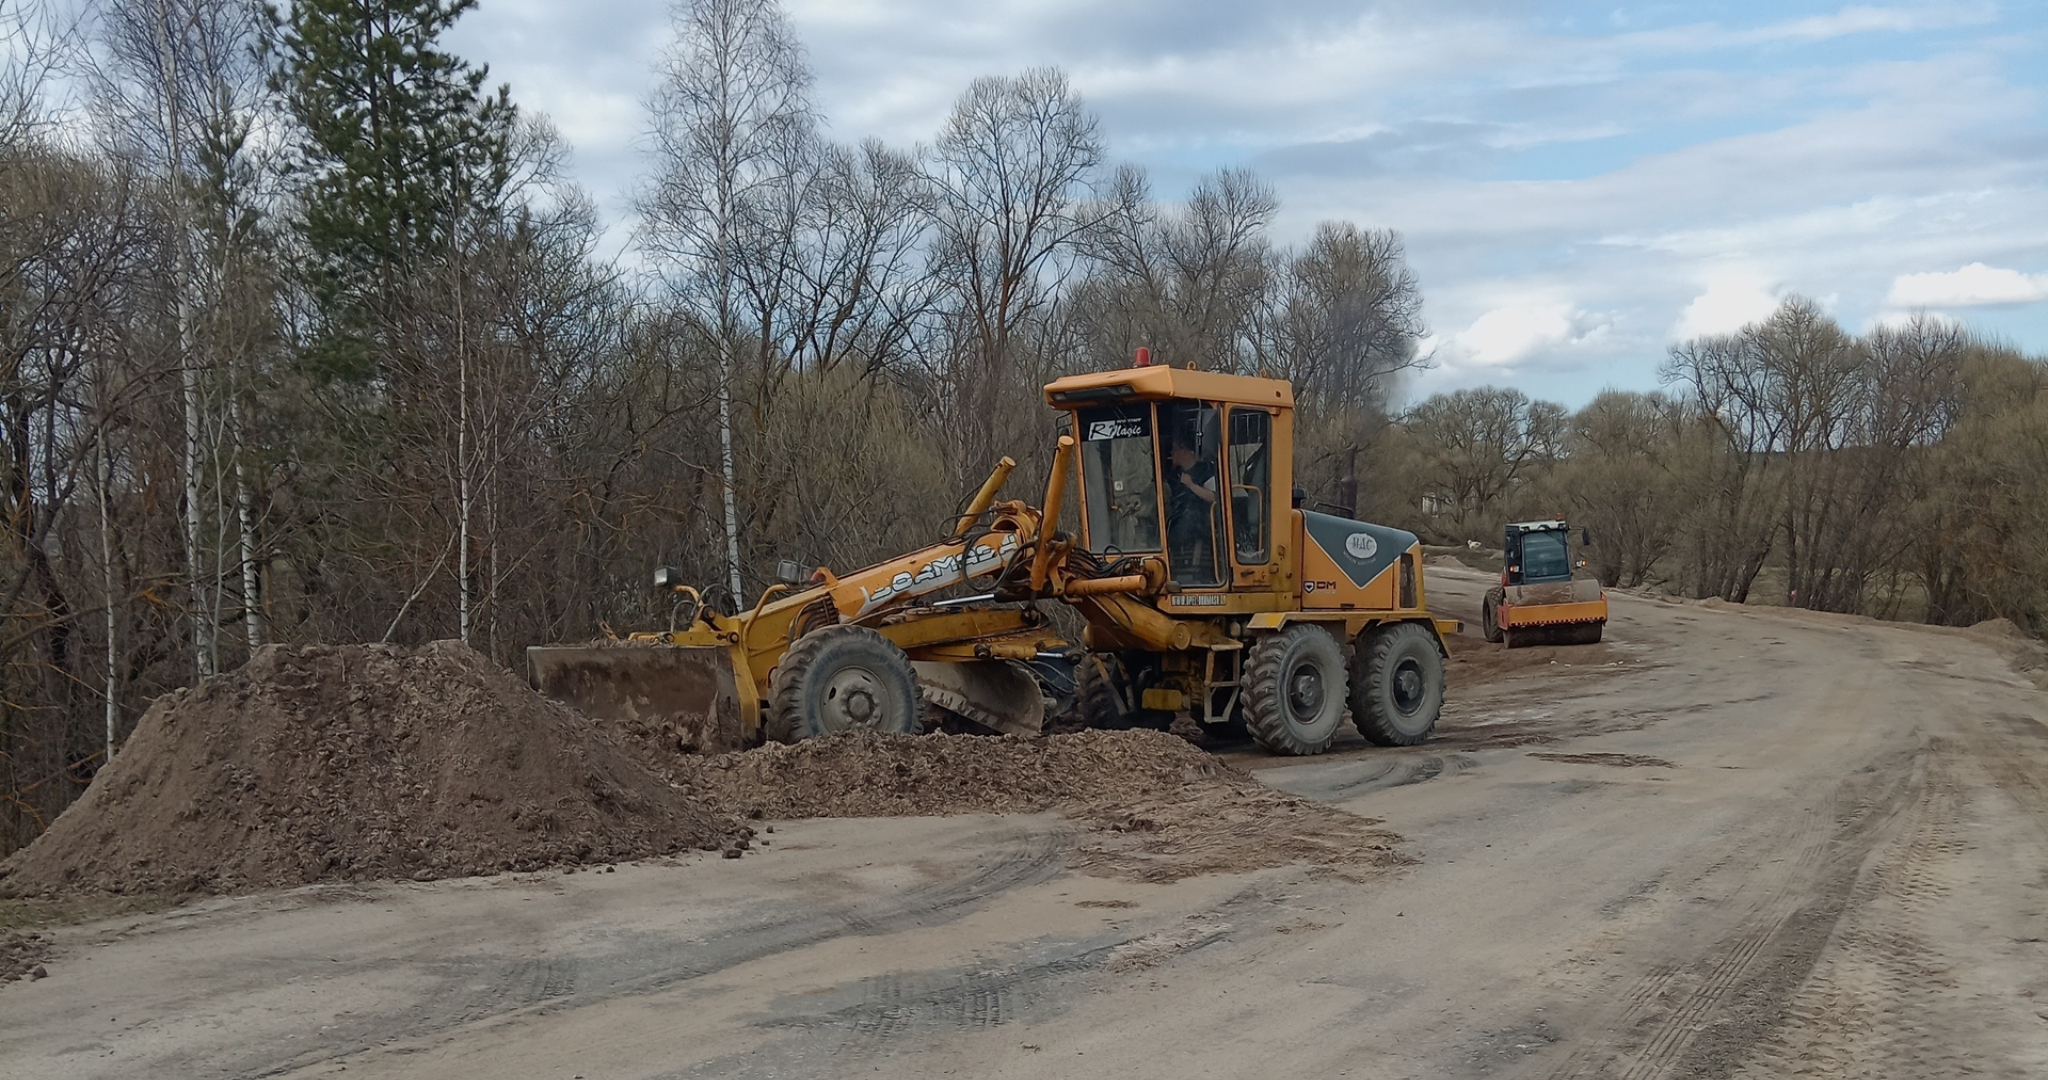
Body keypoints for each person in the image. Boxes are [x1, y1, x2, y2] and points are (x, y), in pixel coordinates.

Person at [1165, 433, 1218, 582]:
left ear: (1186, 450)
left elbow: (1214, 497)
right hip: (1177, 521)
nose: (1171, 453)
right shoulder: (1174, 475)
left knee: (1188, 518)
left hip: (1202, 521)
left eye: (1174, 449)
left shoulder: (1206, 469)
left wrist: (1191, 485)